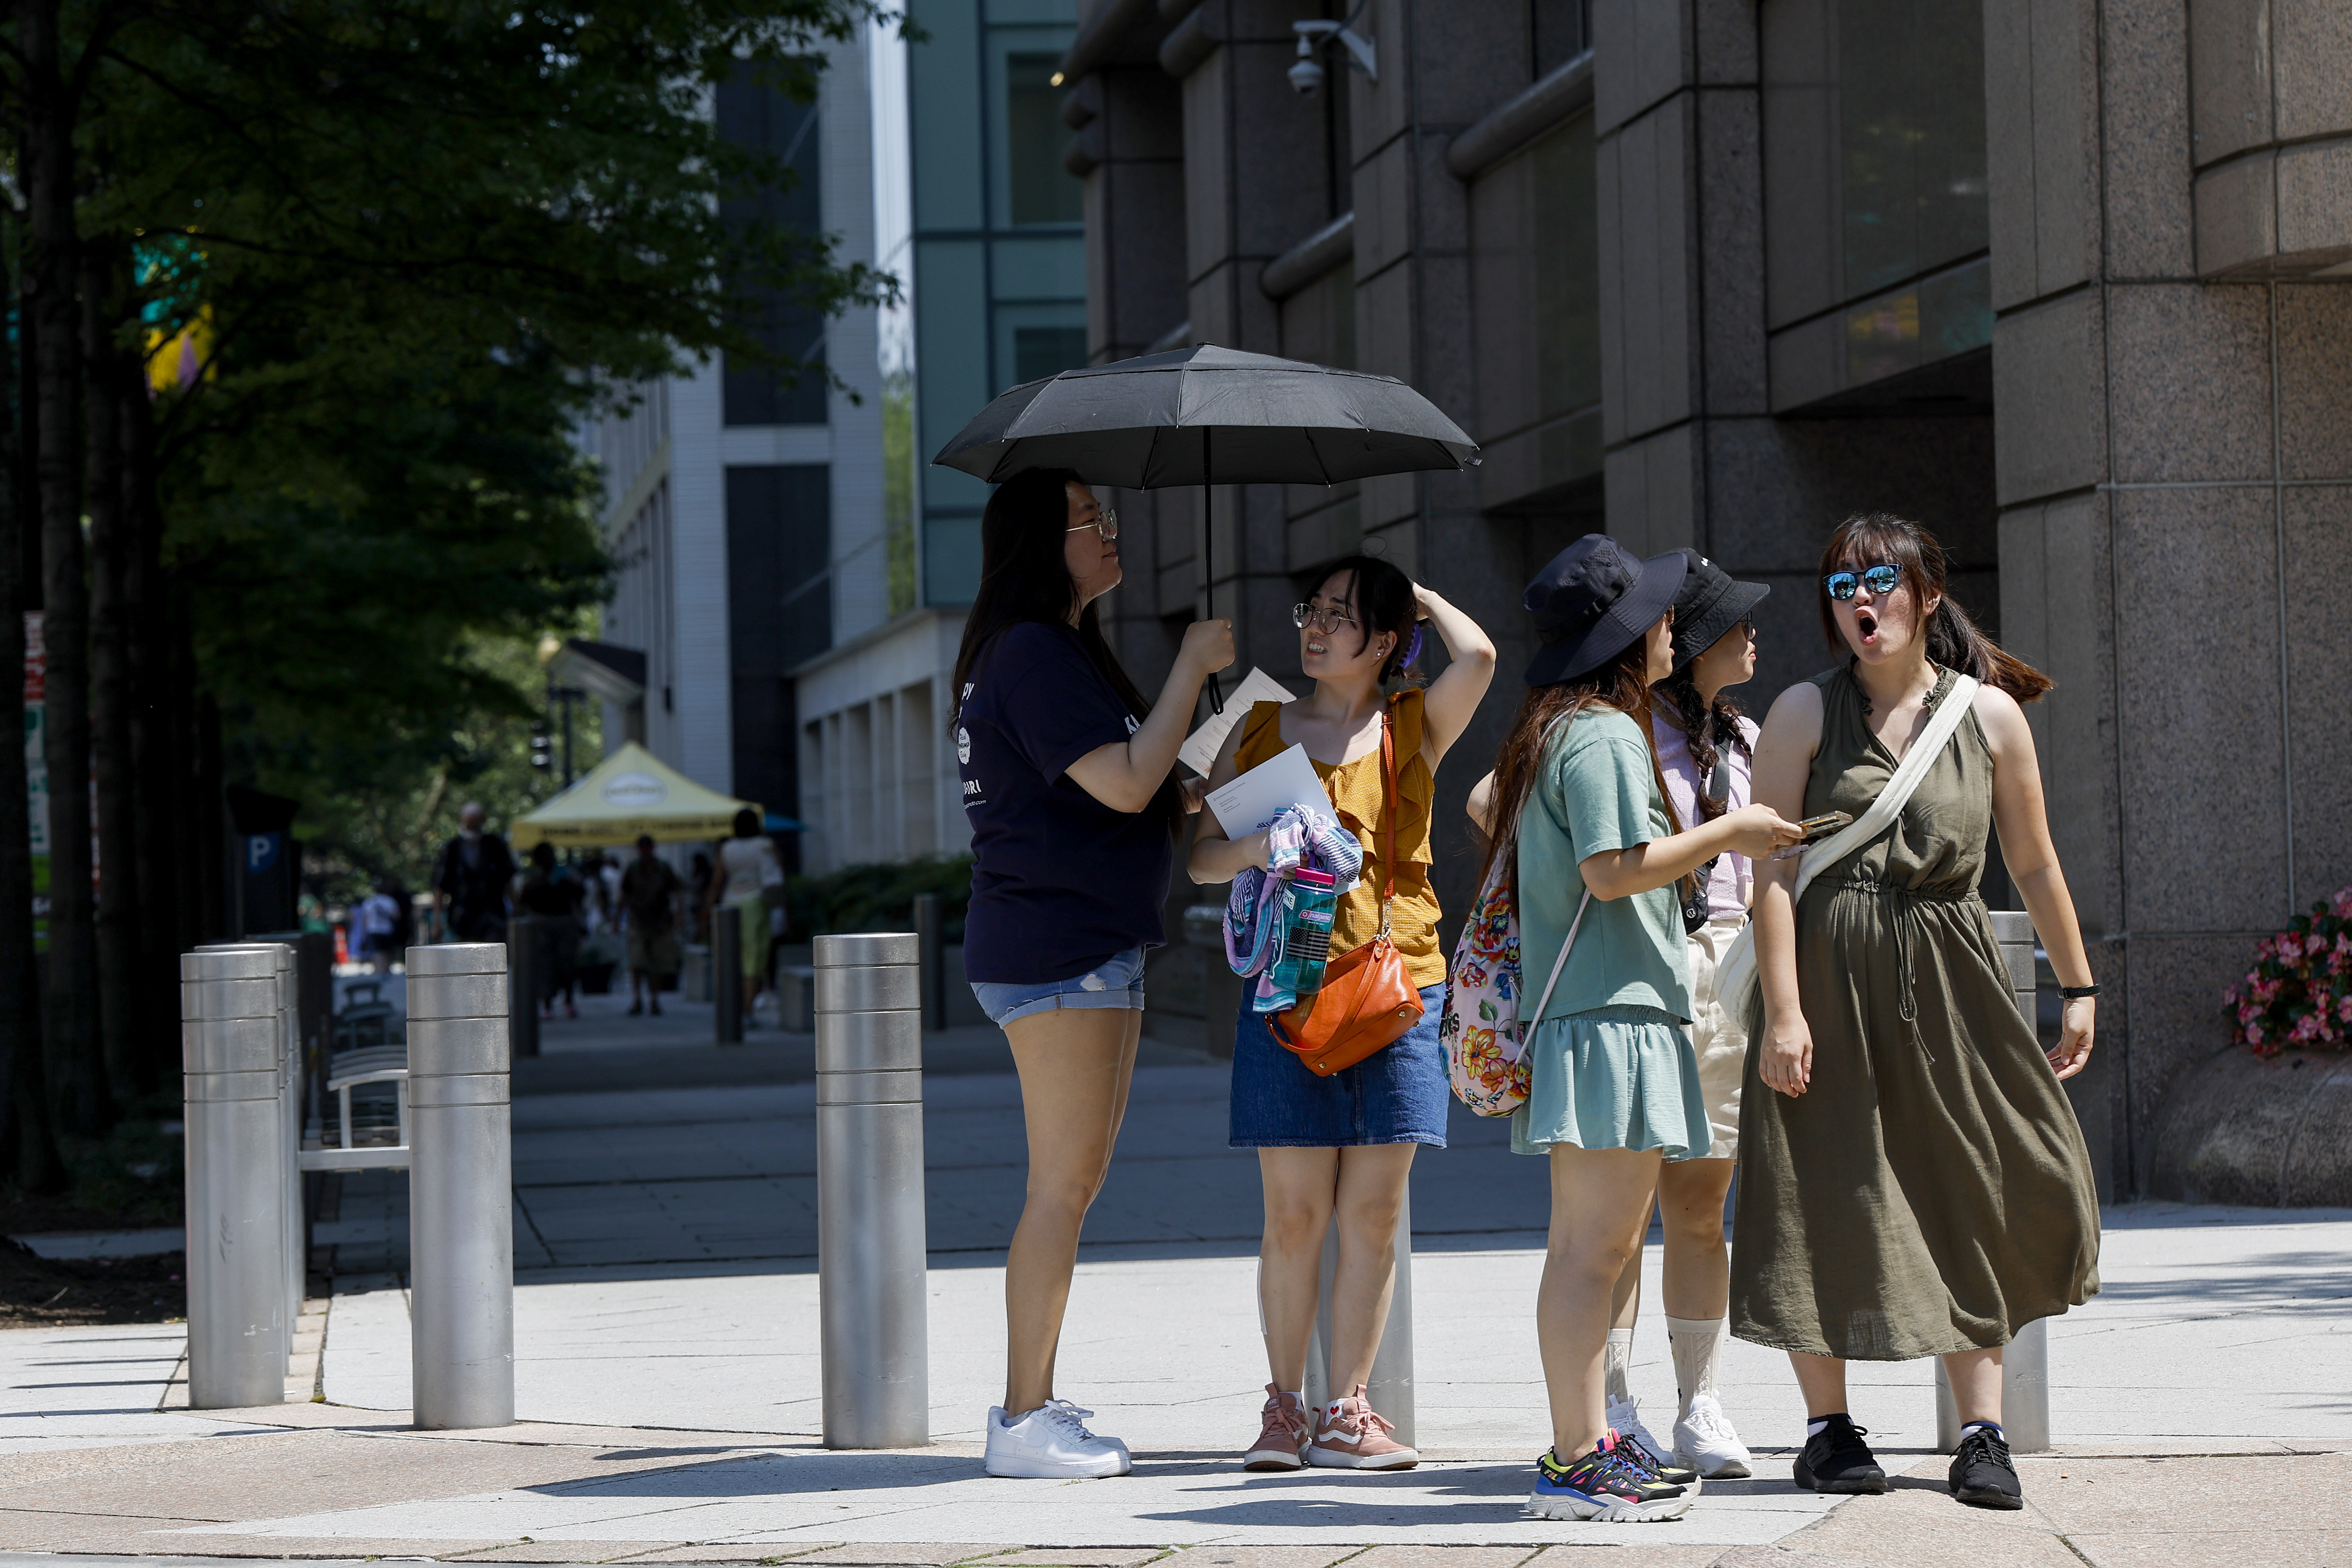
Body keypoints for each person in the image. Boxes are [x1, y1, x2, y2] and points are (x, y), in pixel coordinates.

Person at [1734, 513, 2101, 1512]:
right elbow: (1770, 871)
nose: (1860, 599)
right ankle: (1827, 1428)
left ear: (1926, 594)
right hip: (1824, 977)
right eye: (1843, 582)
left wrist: (2076, 986)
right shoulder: (1802, 713)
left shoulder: (1986, 716)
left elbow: (2031, 860)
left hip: (1951, 975)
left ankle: (1980, 1430)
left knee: (1972, 1178)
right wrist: (1781, 1010)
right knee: (1826, 1182)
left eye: (1881, 579)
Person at [1466, 535, 1801, 1523]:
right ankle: (1578, 1457)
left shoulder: (1555, 727)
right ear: (1624, 634)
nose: (1671, 626)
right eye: (1657, 615)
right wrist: (1729, 833)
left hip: (1591, 1016)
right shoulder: (1606, 735)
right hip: (1613, 1016)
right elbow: (1613, 870)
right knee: (1591, 1253)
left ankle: (1584, 1445)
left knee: (1583, 1247)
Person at [952, 467, 1232, 1479]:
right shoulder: (1030, 651)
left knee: (1072, 1183)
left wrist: (1187, 757)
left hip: (1080, 943)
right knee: (1060, 1185)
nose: (1111, 532)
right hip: (1055, 948)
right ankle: (1022, 1417)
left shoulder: (1050, 650)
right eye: (1091, 520)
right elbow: (1120, 783)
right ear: (1042, 539)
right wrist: (1189, 662)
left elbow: (1132, 785)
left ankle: (1034, 1402)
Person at [1188, 556, 1494, 1473]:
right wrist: (1260, 845)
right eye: (1311, 611)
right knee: (1294, 1213)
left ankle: (1348, 1408)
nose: (1314, 628)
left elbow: (1476, 656)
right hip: (1288, 986)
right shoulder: (1256, 722)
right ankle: (1284, 1407)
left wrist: (1416, 590)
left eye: (1342, 616)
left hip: (1399, 986)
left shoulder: (1412, 724)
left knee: (1371, 1212)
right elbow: (1202, 859)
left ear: (1389, 641)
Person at [1588, 550, 1771, 1481]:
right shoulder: (1618, 727)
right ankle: (1611, 1406)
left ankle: (1699, 1400)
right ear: (1690, 637)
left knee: (1700, 1206)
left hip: (1728, 967)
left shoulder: (1743, 733)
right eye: (1736, 621)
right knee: (1619, 1211)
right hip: (1645, 965)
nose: (1753, 634)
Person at [703, 811, 781, 1027]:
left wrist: (707, 913)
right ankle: (747, 1010)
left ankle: (734, 1008)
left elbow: (717, 883)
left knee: (732, 959)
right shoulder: (766, 845)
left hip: (731, 903)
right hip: (756, 903)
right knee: (754, 961)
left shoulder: (726, 849)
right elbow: (778, 876)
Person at [517, 842, 584, 1019]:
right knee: (544, 966)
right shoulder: (533, 879)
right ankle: (547, 1004)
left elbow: (580, 891)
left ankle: (569, 1000)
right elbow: (523, 900)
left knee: (568, 962)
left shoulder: (566, 874)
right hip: (541, 923)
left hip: (564, 921)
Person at [433, 802, 517, 942]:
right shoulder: (452, 848)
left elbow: (508, 880)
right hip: (462, 918)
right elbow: (440, 887)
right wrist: (437, 922)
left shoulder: (495, 845)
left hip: (493, 915)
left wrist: (516, 910)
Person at [620, 834, 685, 1015]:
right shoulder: (633, 869)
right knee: (637, 961)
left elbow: (677, 889)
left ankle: (654, 999)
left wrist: (679, 914)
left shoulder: (663, 868)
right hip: (638, 922)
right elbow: (624, 894)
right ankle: (638, 997)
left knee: (657, 964)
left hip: (661, 923)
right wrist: (618, 918)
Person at [353, 879, 405, 974]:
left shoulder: (369, 902)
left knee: (378, 951)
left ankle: (380, 968)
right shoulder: (390, 901)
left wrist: (364, 932)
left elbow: (365, 918)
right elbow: (397, 915)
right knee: (387, 951)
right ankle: (386, 968)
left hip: (374, 930)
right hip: (387, 929)